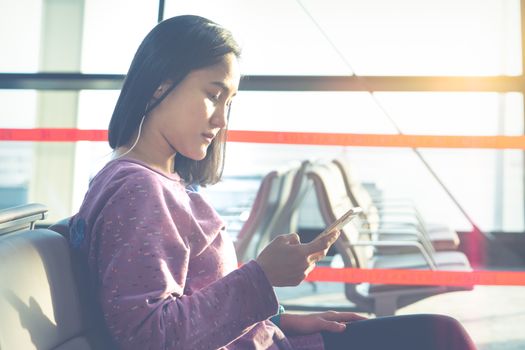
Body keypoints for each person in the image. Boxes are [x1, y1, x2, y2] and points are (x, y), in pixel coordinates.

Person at [70, 15, 477, 350]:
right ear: (160, 84)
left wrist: (279, 317)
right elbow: (148, 338)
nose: (222, 120)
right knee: (441, 338)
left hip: (269, 340)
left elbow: (188, 301)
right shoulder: (138, 189)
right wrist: (261, 277)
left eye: (228, 103)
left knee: (439, 334)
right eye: (213, 95)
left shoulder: (155, 181)